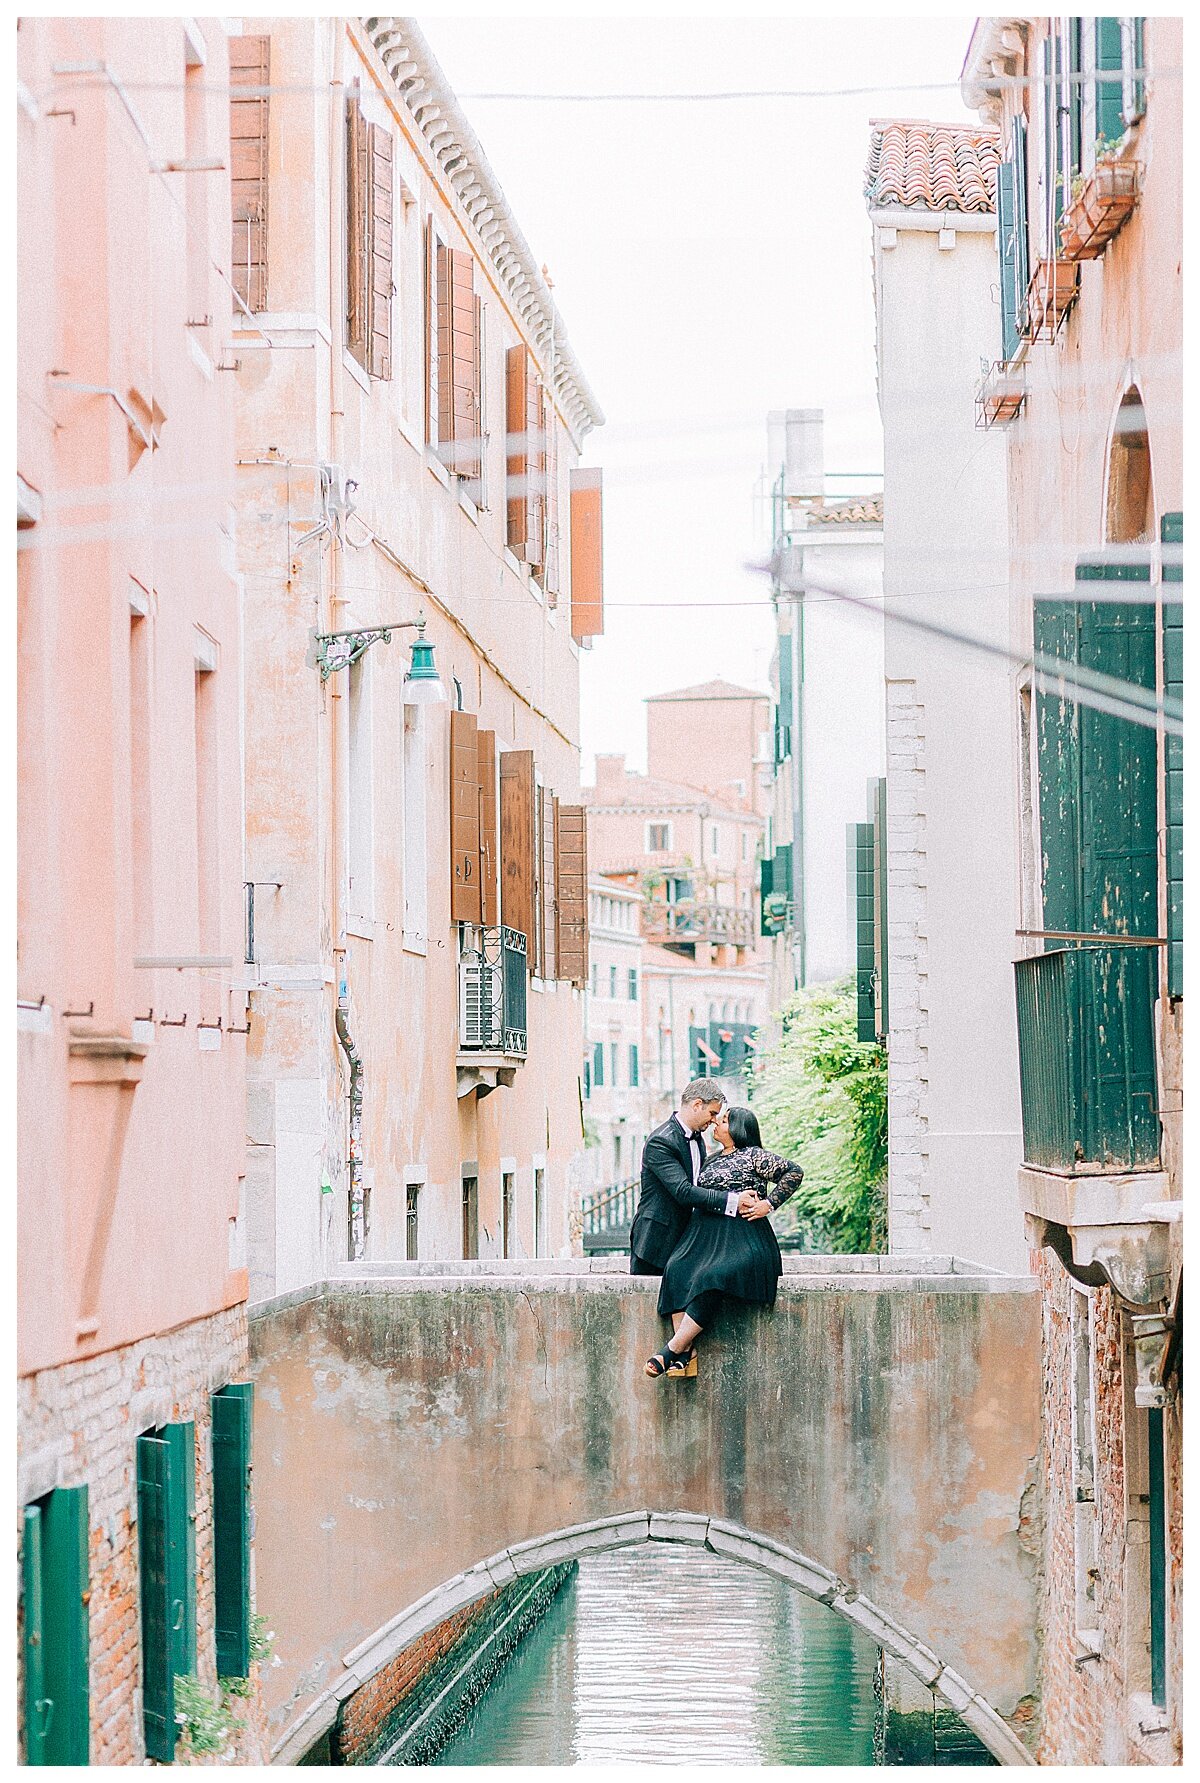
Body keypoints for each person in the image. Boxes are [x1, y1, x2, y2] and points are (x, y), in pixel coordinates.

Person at [644, 1105, 803, 1380]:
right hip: (704, 1235)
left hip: (742, 1236)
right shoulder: (711, 1157)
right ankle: (686, 1354)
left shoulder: (754, 1155)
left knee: (715, 1275)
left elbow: (794, 1172)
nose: (717, 1122)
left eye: (725, 1119)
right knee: (677, 1269)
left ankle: (672, 1350)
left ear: (739, 1129)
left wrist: (768, 1204)